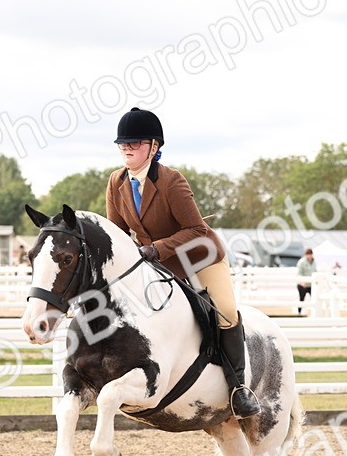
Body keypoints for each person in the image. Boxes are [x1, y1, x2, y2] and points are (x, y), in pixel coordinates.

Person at [105, 107, 260, 418]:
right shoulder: (115, 182)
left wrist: (156, 248)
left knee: (226, 312)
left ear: (154, 147)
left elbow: (197, 230)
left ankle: (238, 387)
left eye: (134, 143)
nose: (127, 148)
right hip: (155, 262)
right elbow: (118, 234)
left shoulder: (172, 182)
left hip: (197, 257)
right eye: (123, 143)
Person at [295, 248, 315, 315]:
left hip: (311, 284)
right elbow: (299, 273)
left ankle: (314, 312)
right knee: (301, 299)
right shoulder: (302, 262)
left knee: (314, 298)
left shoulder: (314, 262)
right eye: (308, 254)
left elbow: (315, 272)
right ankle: (299, 312)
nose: (309, 256)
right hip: (302, 284)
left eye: (310, 254)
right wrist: (302, 281)